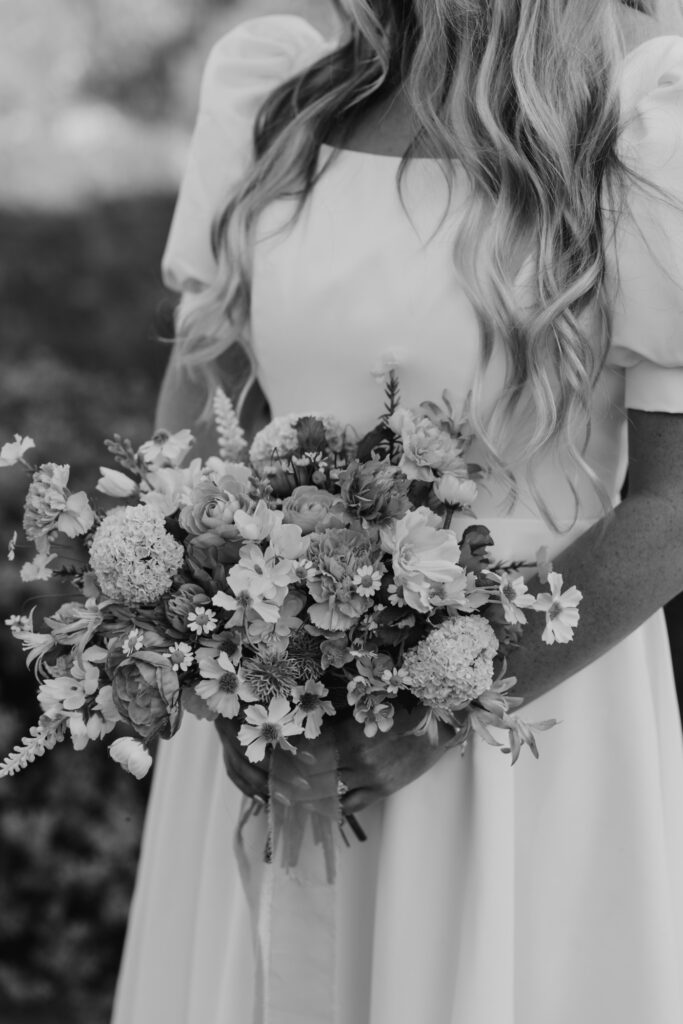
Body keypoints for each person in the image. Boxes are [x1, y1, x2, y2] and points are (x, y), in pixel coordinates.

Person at [112, 2, 683, 1022]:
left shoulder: (638, 119)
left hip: (522, 714)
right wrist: (210, 653)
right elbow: (198, 429)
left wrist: (431, 712)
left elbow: (675, 502)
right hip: (263, 727)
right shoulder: (279, 99)